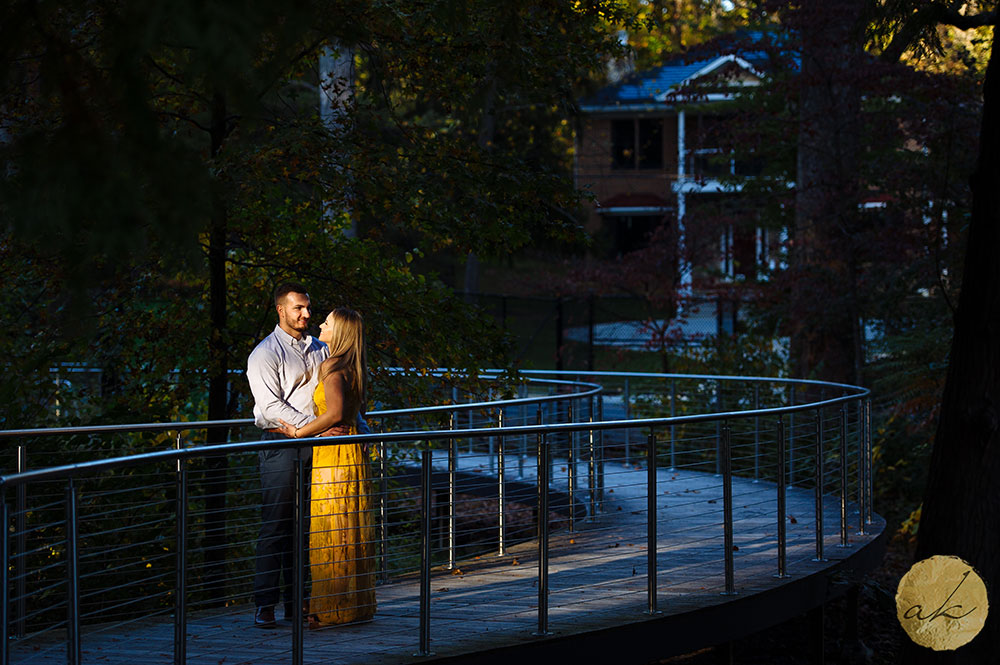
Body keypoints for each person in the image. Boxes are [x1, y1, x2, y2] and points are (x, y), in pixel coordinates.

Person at [276, 308, 377, 626]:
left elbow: (333, 414)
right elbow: (349, 414)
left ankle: (333, 607)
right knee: (348, 525)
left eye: (328, 323)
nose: (321, 324)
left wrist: (297, 432)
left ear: (341, 332)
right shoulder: (354, 366)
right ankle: (351, 604)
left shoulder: (333, 365)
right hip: (349, 454)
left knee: (332, 528)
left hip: (333, 456)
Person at [247, 283, 327, 628]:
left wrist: (360, 430)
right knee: (276, 525)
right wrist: (320, 425)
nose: (306, 315)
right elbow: (270, 407)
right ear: (281, 310)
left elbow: (340, 395)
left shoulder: (321, 349)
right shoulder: (264, 353)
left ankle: (299, 603)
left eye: (307, 308)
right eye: (298, 309)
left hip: (318, 447)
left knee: (309, 527)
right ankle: (265, 605)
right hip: (279, 445)